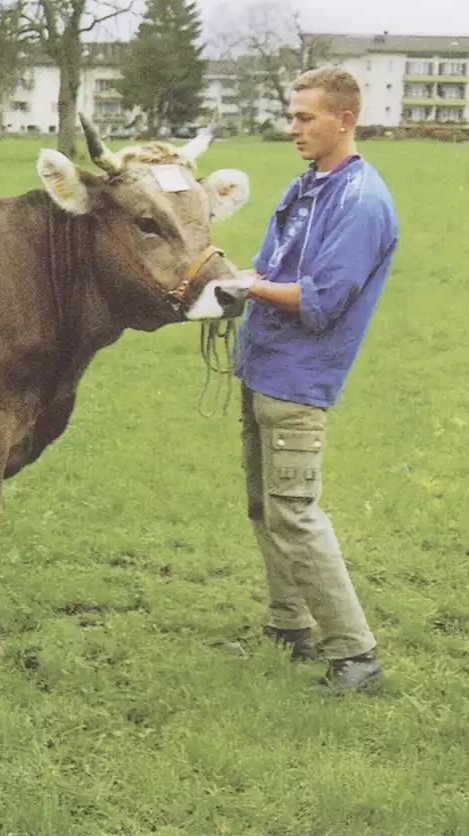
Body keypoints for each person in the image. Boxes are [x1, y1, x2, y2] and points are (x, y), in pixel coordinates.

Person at [234, 67, 398, 694]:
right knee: (264, 508)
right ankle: (289, 625)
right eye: (292, 114)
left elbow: (322, 301)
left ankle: (356, 656)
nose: (292, 128)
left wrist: (248, 287)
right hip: (262, 367)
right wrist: (235, 278)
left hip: (298, 382)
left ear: (344, 120)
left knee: (295, 514)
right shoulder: (308, 186)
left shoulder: (361, 203)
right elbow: (277, 266)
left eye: (305, 117)